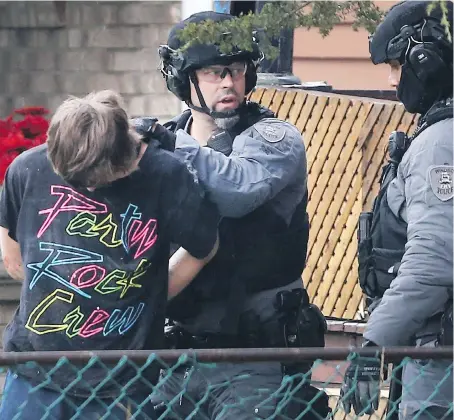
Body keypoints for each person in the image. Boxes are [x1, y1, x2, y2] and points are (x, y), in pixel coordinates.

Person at [136, 11, 330, 420]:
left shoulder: (272, 137)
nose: (228, 82)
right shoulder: (165, 143)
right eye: (212, 72)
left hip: (255, 357)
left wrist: (168, 147)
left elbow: (238, 190)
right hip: (178, 355)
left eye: (236, 69)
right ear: (182, 79)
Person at [0, 90, 220, 419]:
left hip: (124, 383)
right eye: (76, 182)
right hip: (33, 372)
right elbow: (12, 252)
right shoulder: (27, 169)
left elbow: (204, 247)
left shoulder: (165, 175)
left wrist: (155, 292)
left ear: (124, 156)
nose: (87, 188)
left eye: (95, 181)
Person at [341, 1, 453, 419]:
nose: (391, 80)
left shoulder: (441, 143)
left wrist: (374, 344)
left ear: (425, 60)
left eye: (394, 64)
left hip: (440, 364)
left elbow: (434, 263)